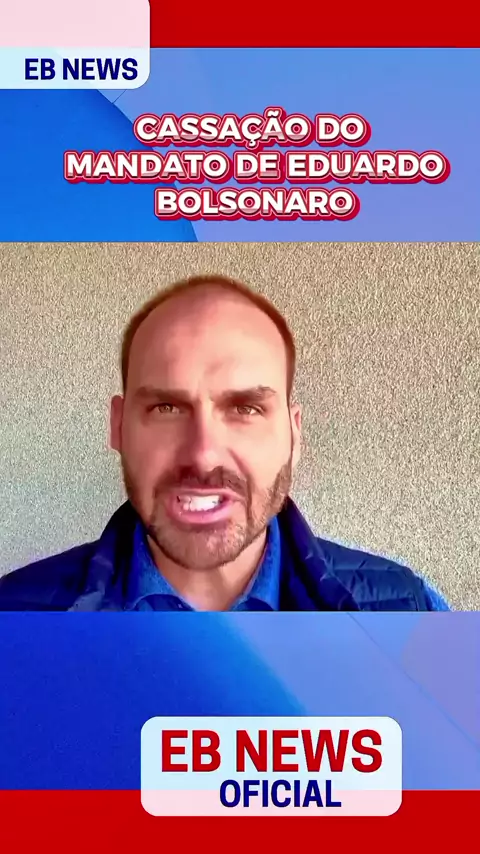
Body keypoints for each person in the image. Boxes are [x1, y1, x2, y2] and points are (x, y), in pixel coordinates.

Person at [0, 274, 449, 612]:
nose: (203, 454)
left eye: (245, 409)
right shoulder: (14, 617)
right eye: (166, 408)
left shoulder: (410, 612)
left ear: (293, 434)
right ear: (118, 427)